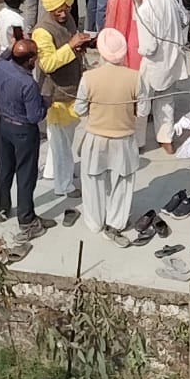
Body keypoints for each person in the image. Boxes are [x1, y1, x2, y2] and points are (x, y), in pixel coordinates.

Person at [74, 28, 139, 241]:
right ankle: (116, 222)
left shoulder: (89, 77)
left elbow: (79, 109)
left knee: (92, 180)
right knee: (123, 181)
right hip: (124, 137)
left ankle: (95, 222)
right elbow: (143, 110)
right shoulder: (135, 77)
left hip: (96, 137)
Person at [0, 39, 54, 239]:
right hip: (24, 131)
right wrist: (46, 103)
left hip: (4, 124)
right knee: (26, 175)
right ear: (30, 61)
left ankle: (2, 208)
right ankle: (26, 219)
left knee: (4, 168)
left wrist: (12, 46)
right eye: (35, 55)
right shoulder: (28, 84)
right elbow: (35, 116)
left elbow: (1, 57)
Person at [33, 0, 91, 200]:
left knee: (63, 140)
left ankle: (55, 172)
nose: (63, 13)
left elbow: (72, 42)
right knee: (61, 145)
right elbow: (47, 64)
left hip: (71, 88)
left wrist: (80, 45)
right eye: (58, 10)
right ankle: (64, 185)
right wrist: (71, 46)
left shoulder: (68, 19)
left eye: (66, 8)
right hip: (55, 95)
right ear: (50, 9)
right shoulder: (42, 31)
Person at [130, 0, 188, 153]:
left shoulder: (144, 10)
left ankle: (138, 142)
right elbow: (184, 19)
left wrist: (138, 49)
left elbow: (149, 47)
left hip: (153, 63)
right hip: (173, 57)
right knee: (166, 101)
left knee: (143, 103)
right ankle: (166, 138)